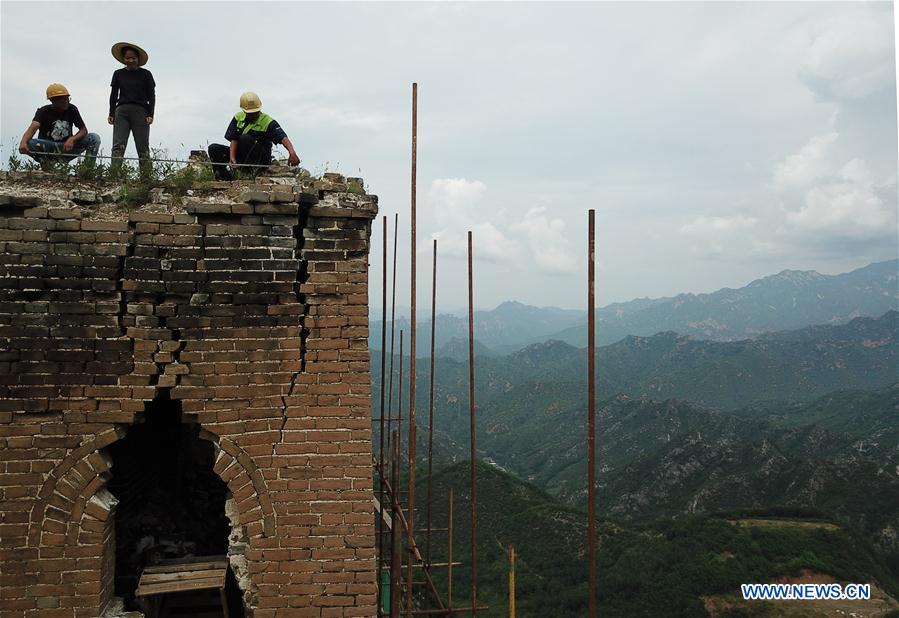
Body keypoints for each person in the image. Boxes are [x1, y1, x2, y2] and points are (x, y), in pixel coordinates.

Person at [207, 91, 300, 181]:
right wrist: (232, 158)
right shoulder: (238, 117)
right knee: (214, 148)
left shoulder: (267, 121)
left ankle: (252, 174)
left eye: (255, 112)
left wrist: (292, 152)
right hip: (242, 156)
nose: (253, 115)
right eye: (250, 113)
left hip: (260, 159)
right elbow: (234, 139)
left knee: (245, 138)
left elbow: (283, 137)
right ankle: (224, 178)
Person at [18, 83, 101, 170]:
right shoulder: (43, 111)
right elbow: (33, 128)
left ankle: (87, 170)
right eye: (62, 99)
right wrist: (23, 142)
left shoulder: (72, 109)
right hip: (48, 146)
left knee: (94, 138)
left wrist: (72, 139)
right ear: (52, 100)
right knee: (30, 143)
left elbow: (83, 130)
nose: (66, 102)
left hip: (67, 146)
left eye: (67, 99)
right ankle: (47, 164)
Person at [108, 41, 155, 174]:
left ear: (138, 59)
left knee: (142, 146)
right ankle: (114, 175)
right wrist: (111, 113)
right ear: (123, 59)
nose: (130, 60)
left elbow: (152, 96)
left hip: (141, 111)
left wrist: (151, 114)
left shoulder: (146, 74)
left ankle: (146, 178)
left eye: (133, 58)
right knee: (118, 145)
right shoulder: (118, 74)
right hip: (121, 110)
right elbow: (113, 95)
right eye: (128, 58)